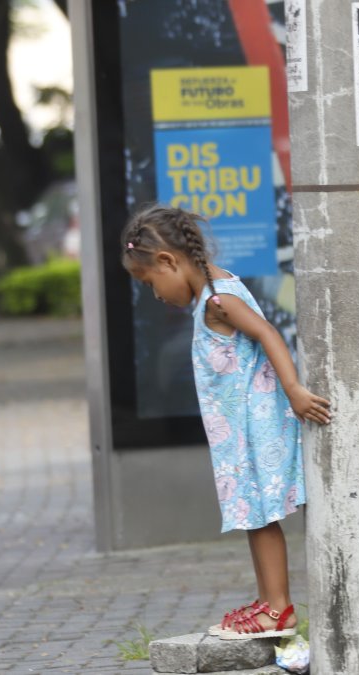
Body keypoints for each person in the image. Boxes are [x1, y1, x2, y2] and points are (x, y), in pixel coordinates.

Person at [121, 204, 331, 639]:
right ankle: (269, 601)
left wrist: (293, 390)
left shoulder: (220, 299)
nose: (157, 294)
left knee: (259, 517)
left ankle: (278, 608)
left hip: (257, 429)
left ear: (168, 261)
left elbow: (268, 333)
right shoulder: (213, 294)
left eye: (151, 283)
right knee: (254, 516)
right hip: (240, 431)